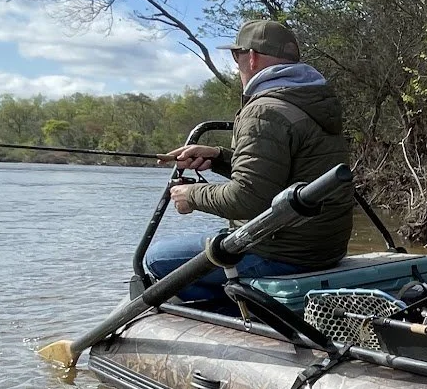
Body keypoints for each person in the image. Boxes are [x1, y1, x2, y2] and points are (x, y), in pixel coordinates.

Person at [147, 18, 355, 301]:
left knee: (157, 259)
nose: (237, 65)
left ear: (252, 58)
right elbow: (280, 177)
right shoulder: (312, 99)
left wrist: (190, 195)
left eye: (236, 56)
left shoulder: (264, 111)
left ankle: (246, 313)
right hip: (325, 248)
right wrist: (219, 158)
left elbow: (248, 199)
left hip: (284, 253)